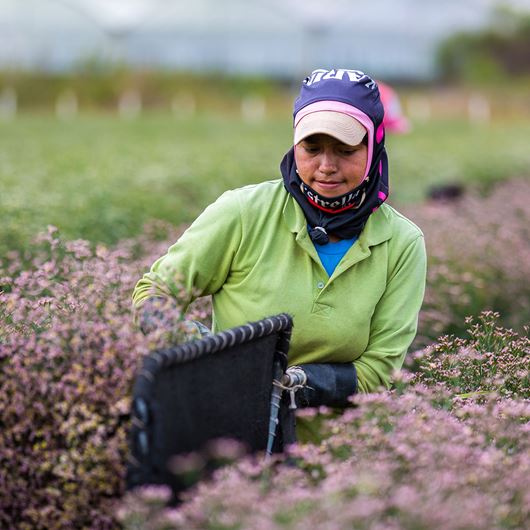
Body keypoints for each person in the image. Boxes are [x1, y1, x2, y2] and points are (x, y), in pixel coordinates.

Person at [132, 68, 426, 440]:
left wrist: (286, 384)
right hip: (226, 444)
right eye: (312, 148)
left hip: (333, 461)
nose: (326, 166)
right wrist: (210, 356)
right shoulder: (243, 213)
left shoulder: (401, 243)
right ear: (294, 143)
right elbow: (153, 294)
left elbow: (378, 374)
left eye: (346, 150)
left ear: (374, 147)